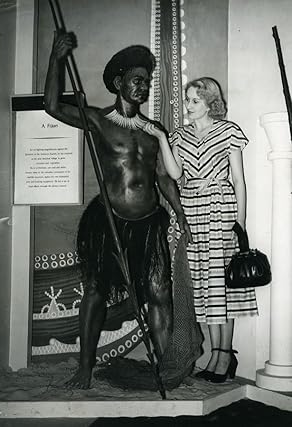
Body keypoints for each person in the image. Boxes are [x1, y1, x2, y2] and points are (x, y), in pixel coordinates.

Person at [44, 32, 192, 389]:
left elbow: (163, 179)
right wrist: (56, 58)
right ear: (118, 82)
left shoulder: (152, 131)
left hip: (149, 224)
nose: (144, 86)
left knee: (160, 293)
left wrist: (180, 215)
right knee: (95, 292)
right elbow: (51, 106)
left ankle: (164, 368)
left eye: (147, 81)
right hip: (108, 222)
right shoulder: (98, 120)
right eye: (137, 80)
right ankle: (84, 368)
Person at [144, 77, 258, 384]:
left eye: (195, 100)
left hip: (221, 210)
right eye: (187, 99)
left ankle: (224, 355)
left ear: (210, 101)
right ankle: (215, 357)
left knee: (223, 284)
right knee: (203, 286)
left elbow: (239, 180)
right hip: (192, 210)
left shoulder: (229, 131)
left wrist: (241, 222)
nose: (188, 106)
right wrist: (163, 139)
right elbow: (176, 173)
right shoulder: (180, 135)